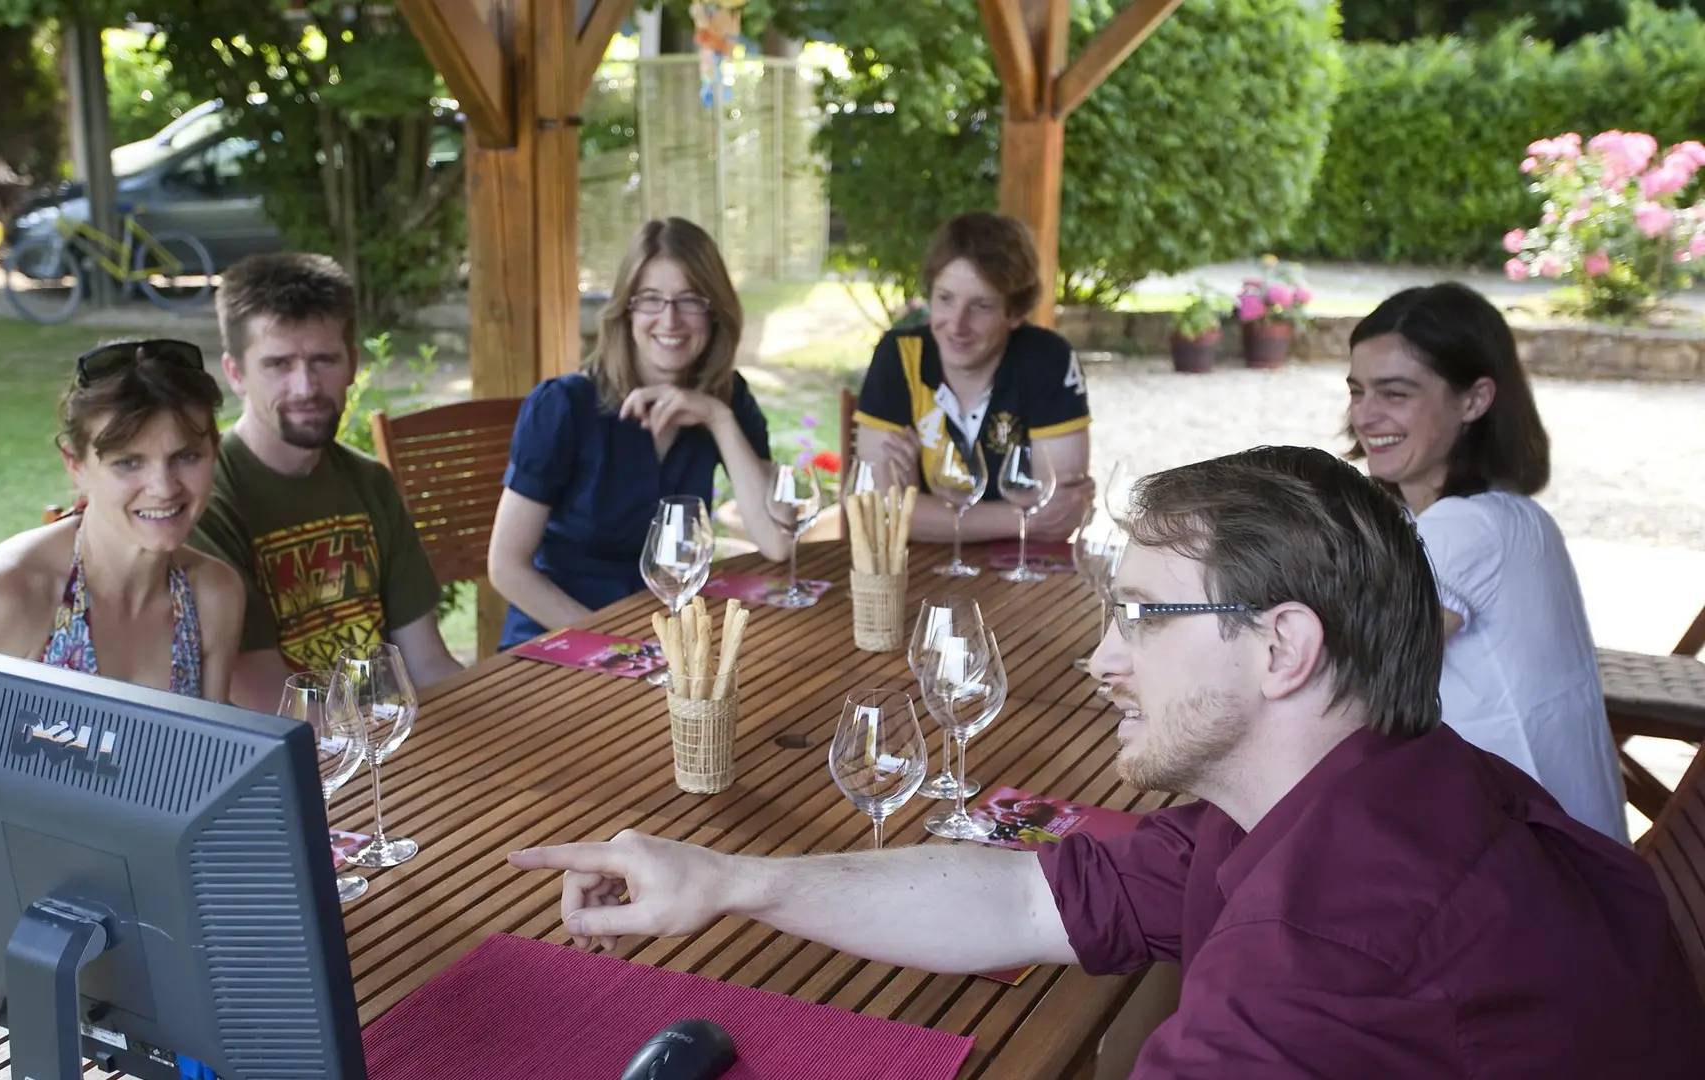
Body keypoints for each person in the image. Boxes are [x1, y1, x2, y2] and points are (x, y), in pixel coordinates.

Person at [508, 446, 1705, 1077]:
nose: (1100, 659)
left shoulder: (1327, 955)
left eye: (1141, 615)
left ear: (1282, 646)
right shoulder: (1368, 783)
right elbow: (1032, 892)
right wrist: (729, 881)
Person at [0, 339, 246, 964]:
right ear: (75, 464)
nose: (163, 485)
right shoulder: (7, 601)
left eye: (186, 455)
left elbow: (200, 801)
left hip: (122, 920)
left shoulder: (213, 596)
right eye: (126, 462)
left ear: (213, 453)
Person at [1345, 282, 1628, 843]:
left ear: (1474, 400)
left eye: (1395, 393)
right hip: (1543, 841)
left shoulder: (1467, 527)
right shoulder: (1500, 510)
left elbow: (1358, 673)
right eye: (1357, 392)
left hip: (1541, 869)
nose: (1365, 415)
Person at [488, 218, 790, 651]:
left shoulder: (727, 398)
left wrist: (718, 419)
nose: (670, 320)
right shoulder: (564, 406)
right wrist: (617, 643)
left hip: (665, 646)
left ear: (714, 310)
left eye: (689, 300)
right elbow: (506, 568)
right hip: (562, 640)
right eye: (651, 299)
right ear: (626, 308)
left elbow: (776, 542)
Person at [189, 252, 463, 712]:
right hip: (302, 759)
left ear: (353, 363)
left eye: (323, 360)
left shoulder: (370, 483)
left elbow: (427, 661)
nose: (305, 388)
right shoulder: (210, 497)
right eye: (278, 364)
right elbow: (270, 702)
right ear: (235, 374)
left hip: (390, 742)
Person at [852, 211, 1093, 542]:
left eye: (981, 305)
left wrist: (921, 508)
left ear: (1015, 313)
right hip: (921, 574)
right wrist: (1023, 519)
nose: (957, 324)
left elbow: (1062, 516)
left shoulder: (1047, 358)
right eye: (945, 299)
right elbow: (877, 511)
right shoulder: (900, 354)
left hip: (1022, 580)